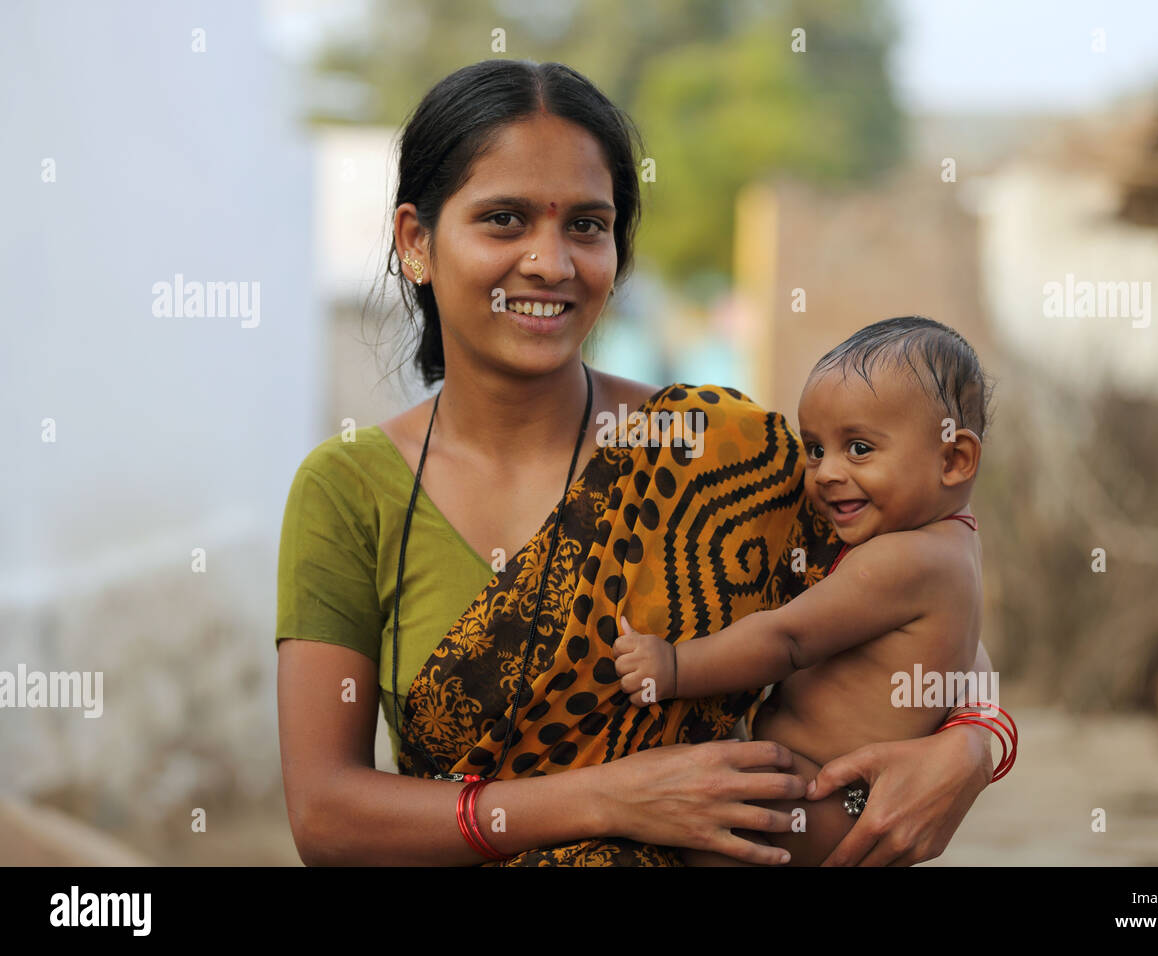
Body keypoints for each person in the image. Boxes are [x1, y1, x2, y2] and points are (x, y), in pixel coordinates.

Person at [275, 59, 1000, 867]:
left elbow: (927, 621)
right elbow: (326, 816)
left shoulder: (726, 453)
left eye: (586, 225)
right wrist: (612, 798)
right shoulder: (349, 492)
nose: (551, 263)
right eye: (505, 220)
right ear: (416, 241)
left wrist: (974, 749)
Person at [615, 317, 1000, 865]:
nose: (825, 473)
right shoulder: (956, 546)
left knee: (704, 841)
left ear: (954, 458)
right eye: (815, 449)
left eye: (860, 448)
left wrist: (675, 666)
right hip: (842, 799)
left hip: (821, 795)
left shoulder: (902, 558)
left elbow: (788, 638)